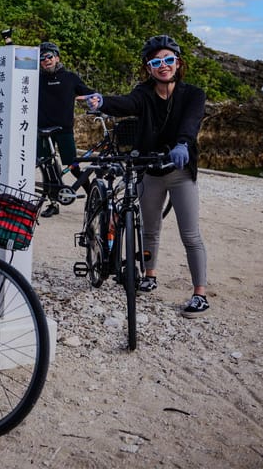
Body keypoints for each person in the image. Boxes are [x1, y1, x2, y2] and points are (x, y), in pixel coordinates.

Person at [88, 34, 210, 317]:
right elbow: (126, 103)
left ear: (178, 64)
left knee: (190, 234)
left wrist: (182, 144)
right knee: (150, 229)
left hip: (180, 171)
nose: (163, 65)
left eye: (169, 60)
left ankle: (199, 294)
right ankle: (150, 275)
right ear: (149, 67)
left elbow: (191, 124)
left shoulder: (193, 94)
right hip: (149, 170)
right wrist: (103, 101)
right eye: (157, 62)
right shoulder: (143, 93)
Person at [36, 41, 100, 218]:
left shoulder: (70, 78)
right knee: (47, 167)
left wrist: (97, 101)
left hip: (64, 129)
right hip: (42, 130)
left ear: (57, 57)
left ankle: (93, 199)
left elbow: (87, 92)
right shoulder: (36, 78)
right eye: (42, 58)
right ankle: (53, 203)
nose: (45, 60)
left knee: (73, 166)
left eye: (49, 56)